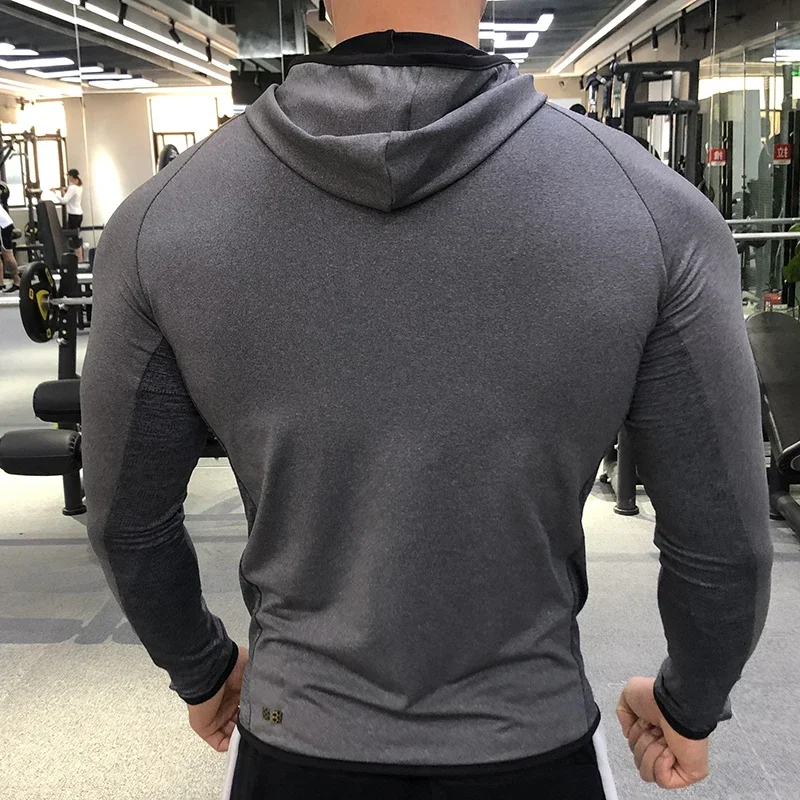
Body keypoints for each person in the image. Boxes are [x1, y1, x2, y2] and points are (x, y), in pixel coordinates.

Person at [81, 1, 773, 798]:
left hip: (296, 734)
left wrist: (201, 669)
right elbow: (726, 546)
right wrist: (690, 705)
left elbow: (126, 524)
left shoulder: (159, 222)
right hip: (532, 738)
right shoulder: (656, 212)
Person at [51, 168, 84, 260]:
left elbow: (64, 201)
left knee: (73, 238)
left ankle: (79, 259)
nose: (68, 178)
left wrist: (55, 193)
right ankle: (80, 259)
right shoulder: (79, 186)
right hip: (79, 214)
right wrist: (64, 191)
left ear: (71, 176)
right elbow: (70, 197)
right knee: (76, 236)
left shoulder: (73, 188)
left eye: (68, 176)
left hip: (73, 215)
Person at [0, 181, 21, 293]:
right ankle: (0, 284)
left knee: (7, 255)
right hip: (4, 224)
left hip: (3, 226)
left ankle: (17, 281)